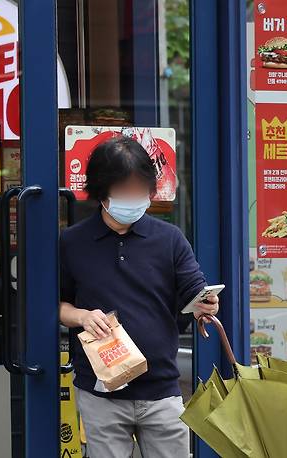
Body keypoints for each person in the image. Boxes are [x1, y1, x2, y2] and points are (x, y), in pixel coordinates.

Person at [59, 136, 218, 458]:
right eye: (125, 191)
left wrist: (205, 304)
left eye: (141, 190)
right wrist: (83, 316)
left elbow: (193, 288)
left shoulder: (169, 238)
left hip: (161, 389)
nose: (135, 198)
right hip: (100, 390)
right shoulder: (72, 242)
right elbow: (55, 304)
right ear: (102, 192)